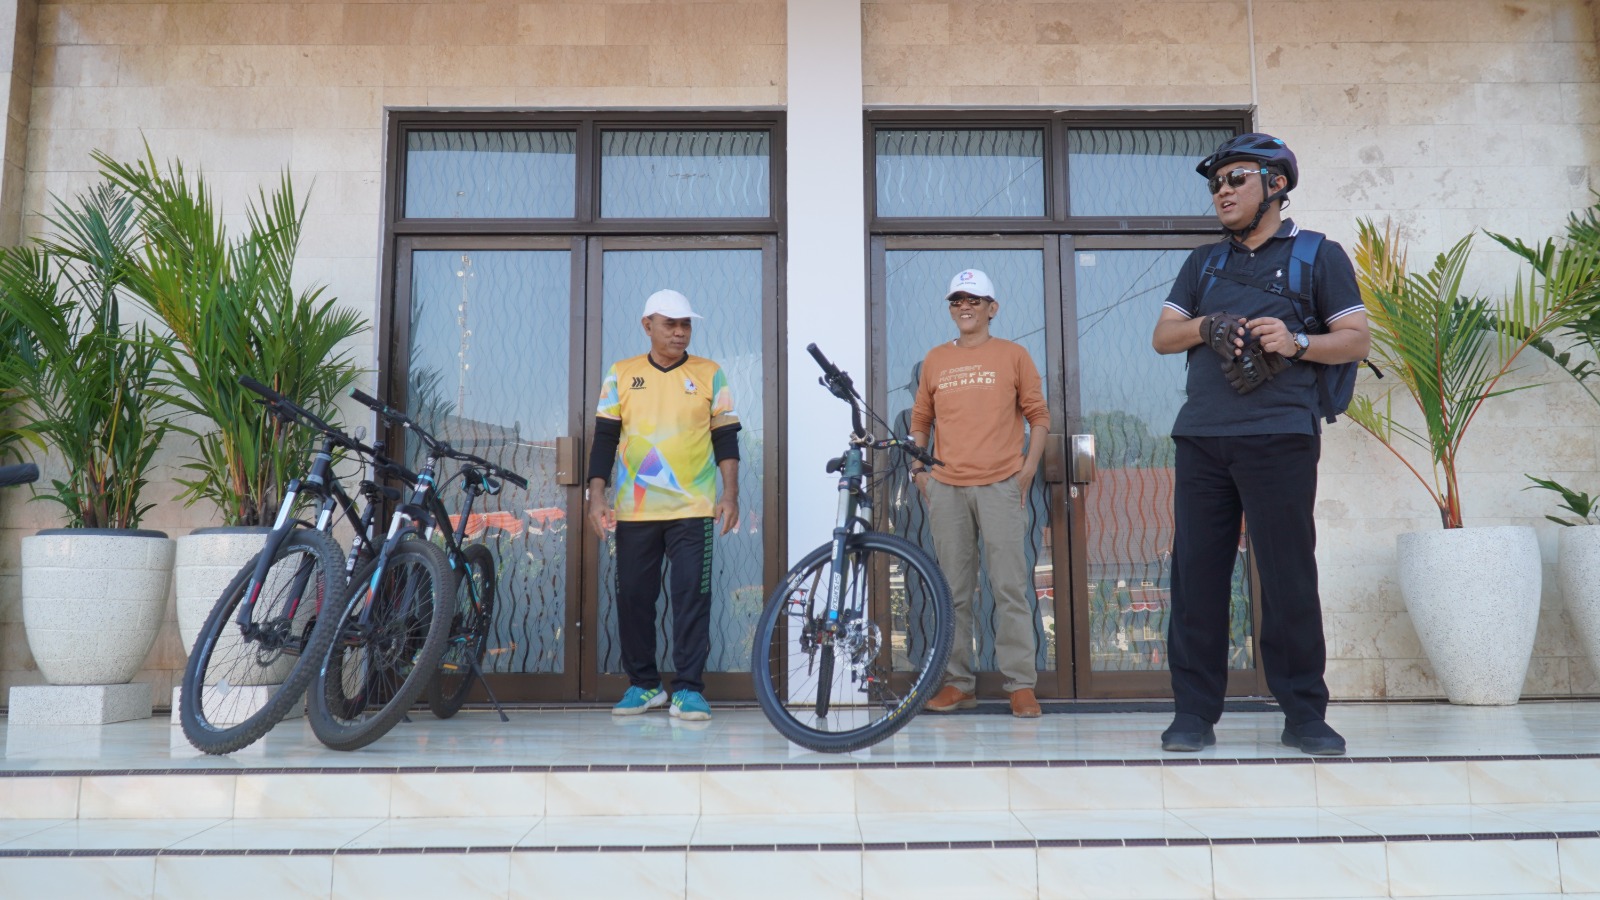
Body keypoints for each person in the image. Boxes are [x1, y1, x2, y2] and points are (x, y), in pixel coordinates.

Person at [1150, 132, 1371, 756]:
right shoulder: (1203, 263)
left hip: (1280, 435)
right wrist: (1207, 325)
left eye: (1235, 179)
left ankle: (1304, 715)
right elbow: (1164, 336)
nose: (1221, 192)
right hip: (1202, 437)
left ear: (1275, 184)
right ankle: (1193, 713)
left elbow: (1356, 339)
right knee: (1196, 578)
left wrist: (1294, 341)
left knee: (1287, 577)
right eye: (1215, 184)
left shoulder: (1316, 255)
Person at [587, 288, 740, 722]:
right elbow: (605, 439)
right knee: (634, 598)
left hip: (693, 508)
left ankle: (688, 689)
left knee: (692, 596)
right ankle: (644, 685)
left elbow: (726, 438)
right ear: (647, 326)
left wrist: (730, 494)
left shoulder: (710, 373)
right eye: (670, 324)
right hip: (635, 510)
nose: (679, 332)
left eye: (685, 324)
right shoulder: (621, 373)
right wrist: (597, 496)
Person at [911, 268, 1052, 719]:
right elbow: (921, 419)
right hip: (947, 488)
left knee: (1009, 587)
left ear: (992, 308)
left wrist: (1027, 469)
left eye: (973, 299)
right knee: (953, 591)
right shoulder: (935, 359)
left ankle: (1020, 685)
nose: (964, 307)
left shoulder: (1014, 355)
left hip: (999, 484)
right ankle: (958, 683)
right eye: (956, 300)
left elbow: (1039, 416)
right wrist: (918, 468)